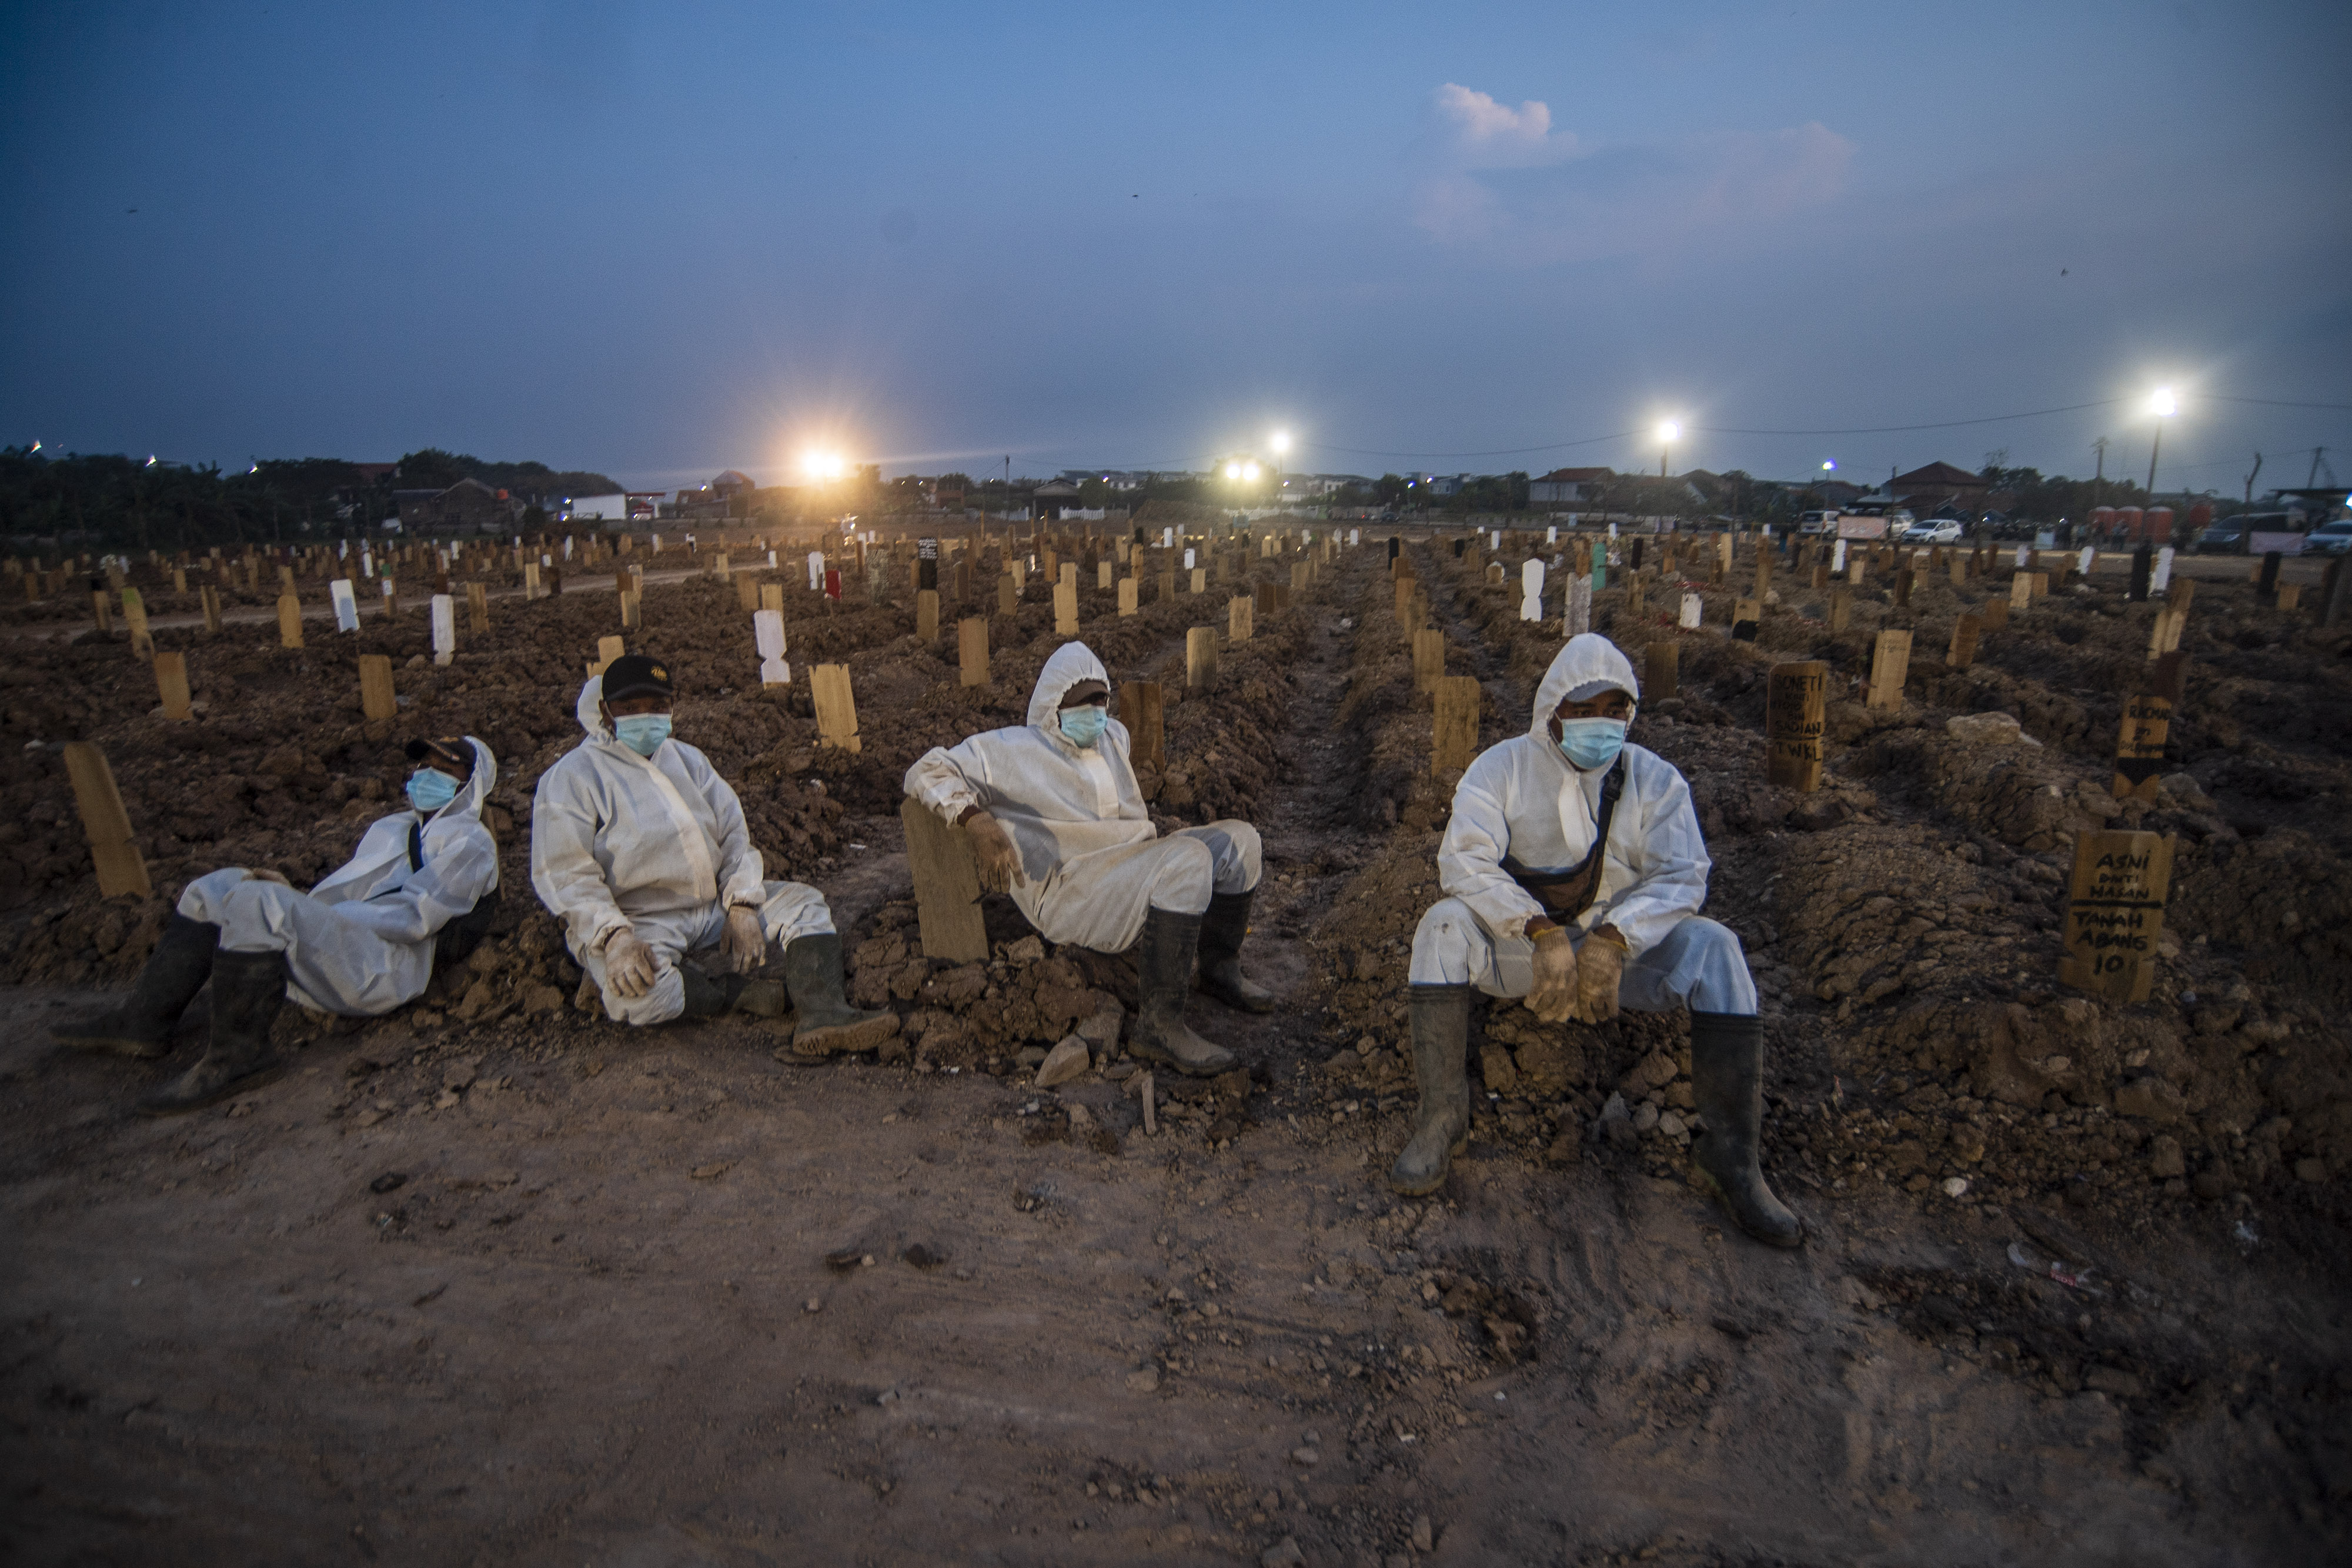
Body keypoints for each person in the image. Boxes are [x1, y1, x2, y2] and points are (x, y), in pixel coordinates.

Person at [1391, 634, 1801, 1248]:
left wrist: (1615, 938)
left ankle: (1733, 1157)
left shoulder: (1653, 780)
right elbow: (1464, 862)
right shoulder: (1501, 768)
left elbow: (1684, 874)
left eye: (1614, 710)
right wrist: (1536, 927)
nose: (1600, 724)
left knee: (1716, 947)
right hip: (1525, 957)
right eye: (1583, 709)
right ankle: (1442, 1118)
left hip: (1619, 966)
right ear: (1553, 709)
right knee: (1440, 925)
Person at [55, 735, 503, 1115]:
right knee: (213, 887)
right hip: (350, 942)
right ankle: (145, 1021)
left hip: (391, 964)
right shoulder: (395, 827)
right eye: (423, 764)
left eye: (442, 768)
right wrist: (305, 906)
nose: (426, 774)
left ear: (469, 781)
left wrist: (308, 911)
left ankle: (240, 1055)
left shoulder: (470, 843)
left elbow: (414, 918)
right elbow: (349, 892)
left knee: (258, 900)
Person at [904, 642, 1271, 1076]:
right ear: (1053, 705)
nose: (1097, 712)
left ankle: (1218, 967)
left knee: (1242, 840)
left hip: (1129, 864)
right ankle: (1158, 1026)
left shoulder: (1111, 737)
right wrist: (976, 819)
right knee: (1187, 859)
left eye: (1102, 700)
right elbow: (924, 770)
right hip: (1071, 888)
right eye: (1084, 703)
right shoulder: (1011, 749)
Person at [532, 653, 895, 1057]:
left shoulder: (687, 759)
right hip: (637, 922)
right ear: (605, 710)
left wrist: (740, 903)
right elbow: (565, 871)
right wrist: (614, 937)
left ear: (671, 706)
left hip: (711, 906)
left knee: (803, 902)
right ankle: (732, 992)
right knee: (639, 999)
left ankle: (825, 1012)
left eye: (657, 706)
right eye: (630, 708)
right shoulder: (574, 775)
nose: (646, 717)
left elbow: (733, 835)